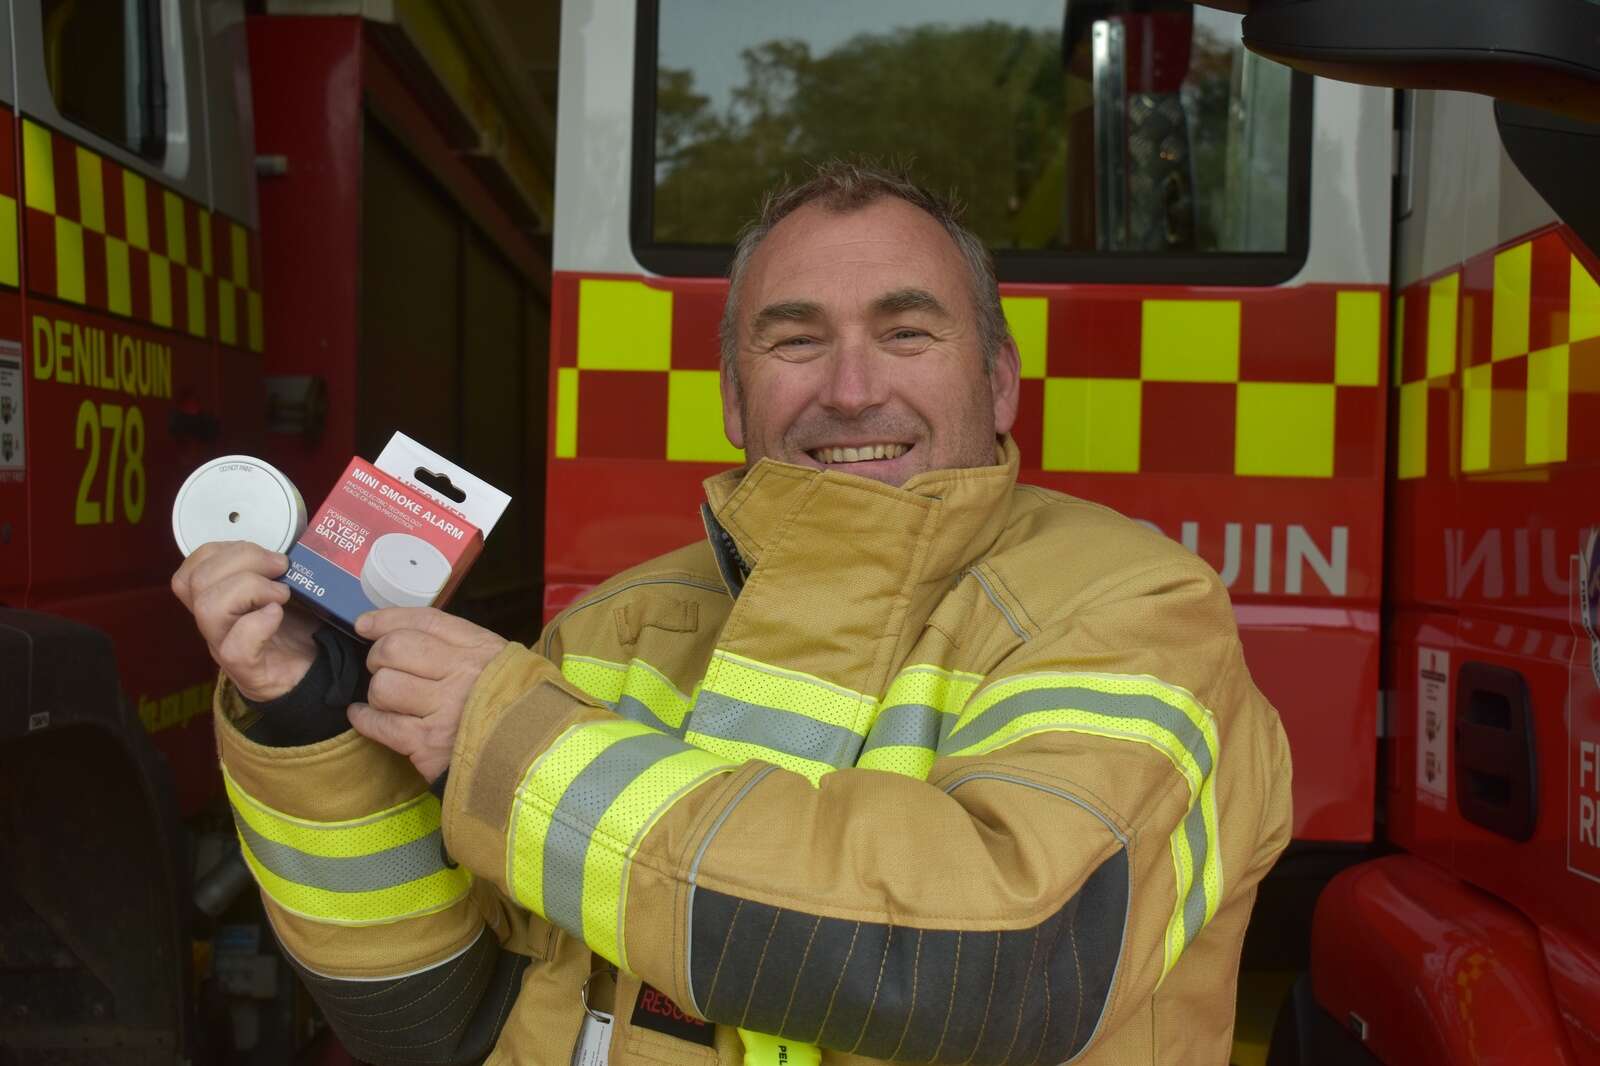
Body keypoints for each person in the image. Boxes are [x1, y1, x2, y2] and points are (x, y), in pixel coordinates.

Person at [172, 161, 1292, 1065]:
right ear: (733, 393)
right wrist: (305, 717)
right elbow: (427, 1021)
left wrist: (513, 739)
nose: (851, 387)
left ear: (997, 382)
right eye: (796, 339)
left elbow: (1004, 963)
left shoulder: (1133, 606)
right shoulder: (617, 627)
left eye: (906, 332)